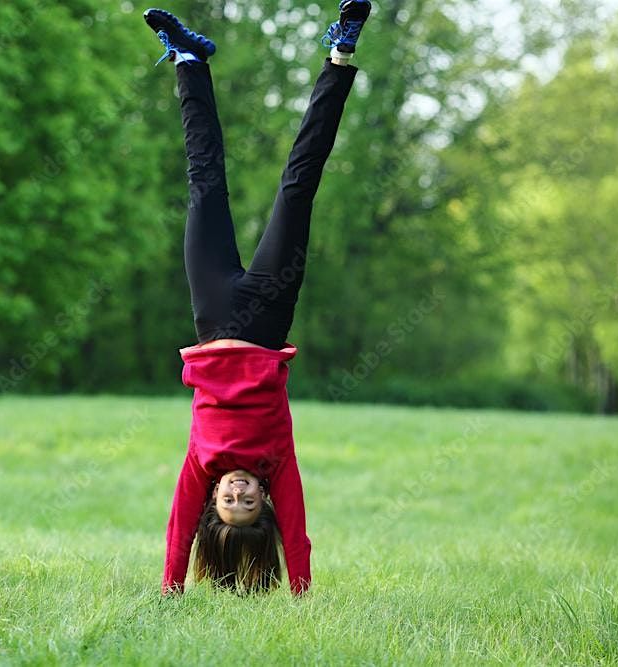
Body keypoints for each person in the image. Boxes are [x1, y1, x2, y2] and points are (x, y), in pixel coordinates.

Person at [143, 1, 372, 595]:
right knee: (299, 187)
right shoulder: (279, 467)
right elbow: (296, 534)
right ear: (262, 500)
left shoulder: (200, 467)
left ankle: (189, 59)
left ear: (213, 499)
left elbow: (176, 529)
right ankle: (341, 52)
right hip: (268, 316)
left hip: (211, 313)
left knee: (203, 182)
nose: (237, 493)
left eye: (228, 503)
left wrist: (171, 589)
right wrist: (300, 592)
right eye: (247, 503)